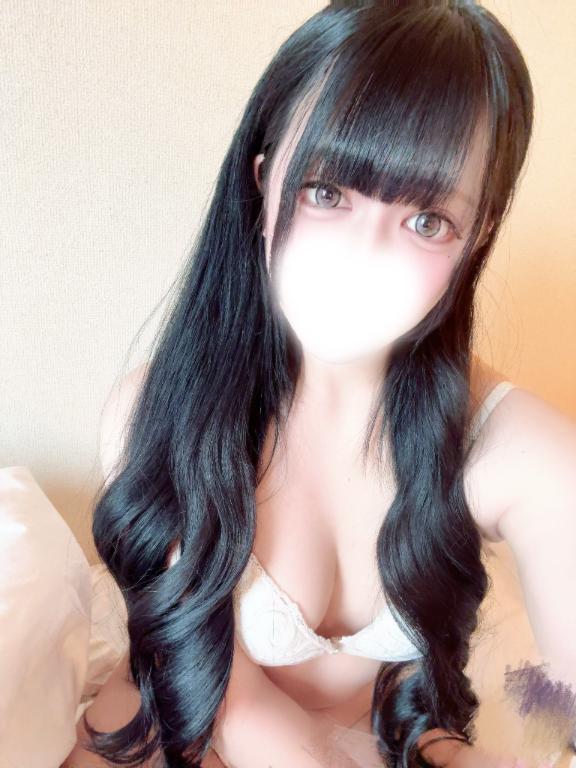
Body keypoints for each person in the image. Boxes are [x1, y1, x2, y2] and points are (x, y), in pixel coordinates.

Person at [63, 1, 576, 767]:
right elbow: (232, 705)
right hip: (175, 728)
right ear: (263, 183)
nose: (362, 259)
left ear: (477, 236)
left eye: (427, 221)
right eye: (328, 192)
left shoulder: (519, 450)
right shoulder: (158, 414)